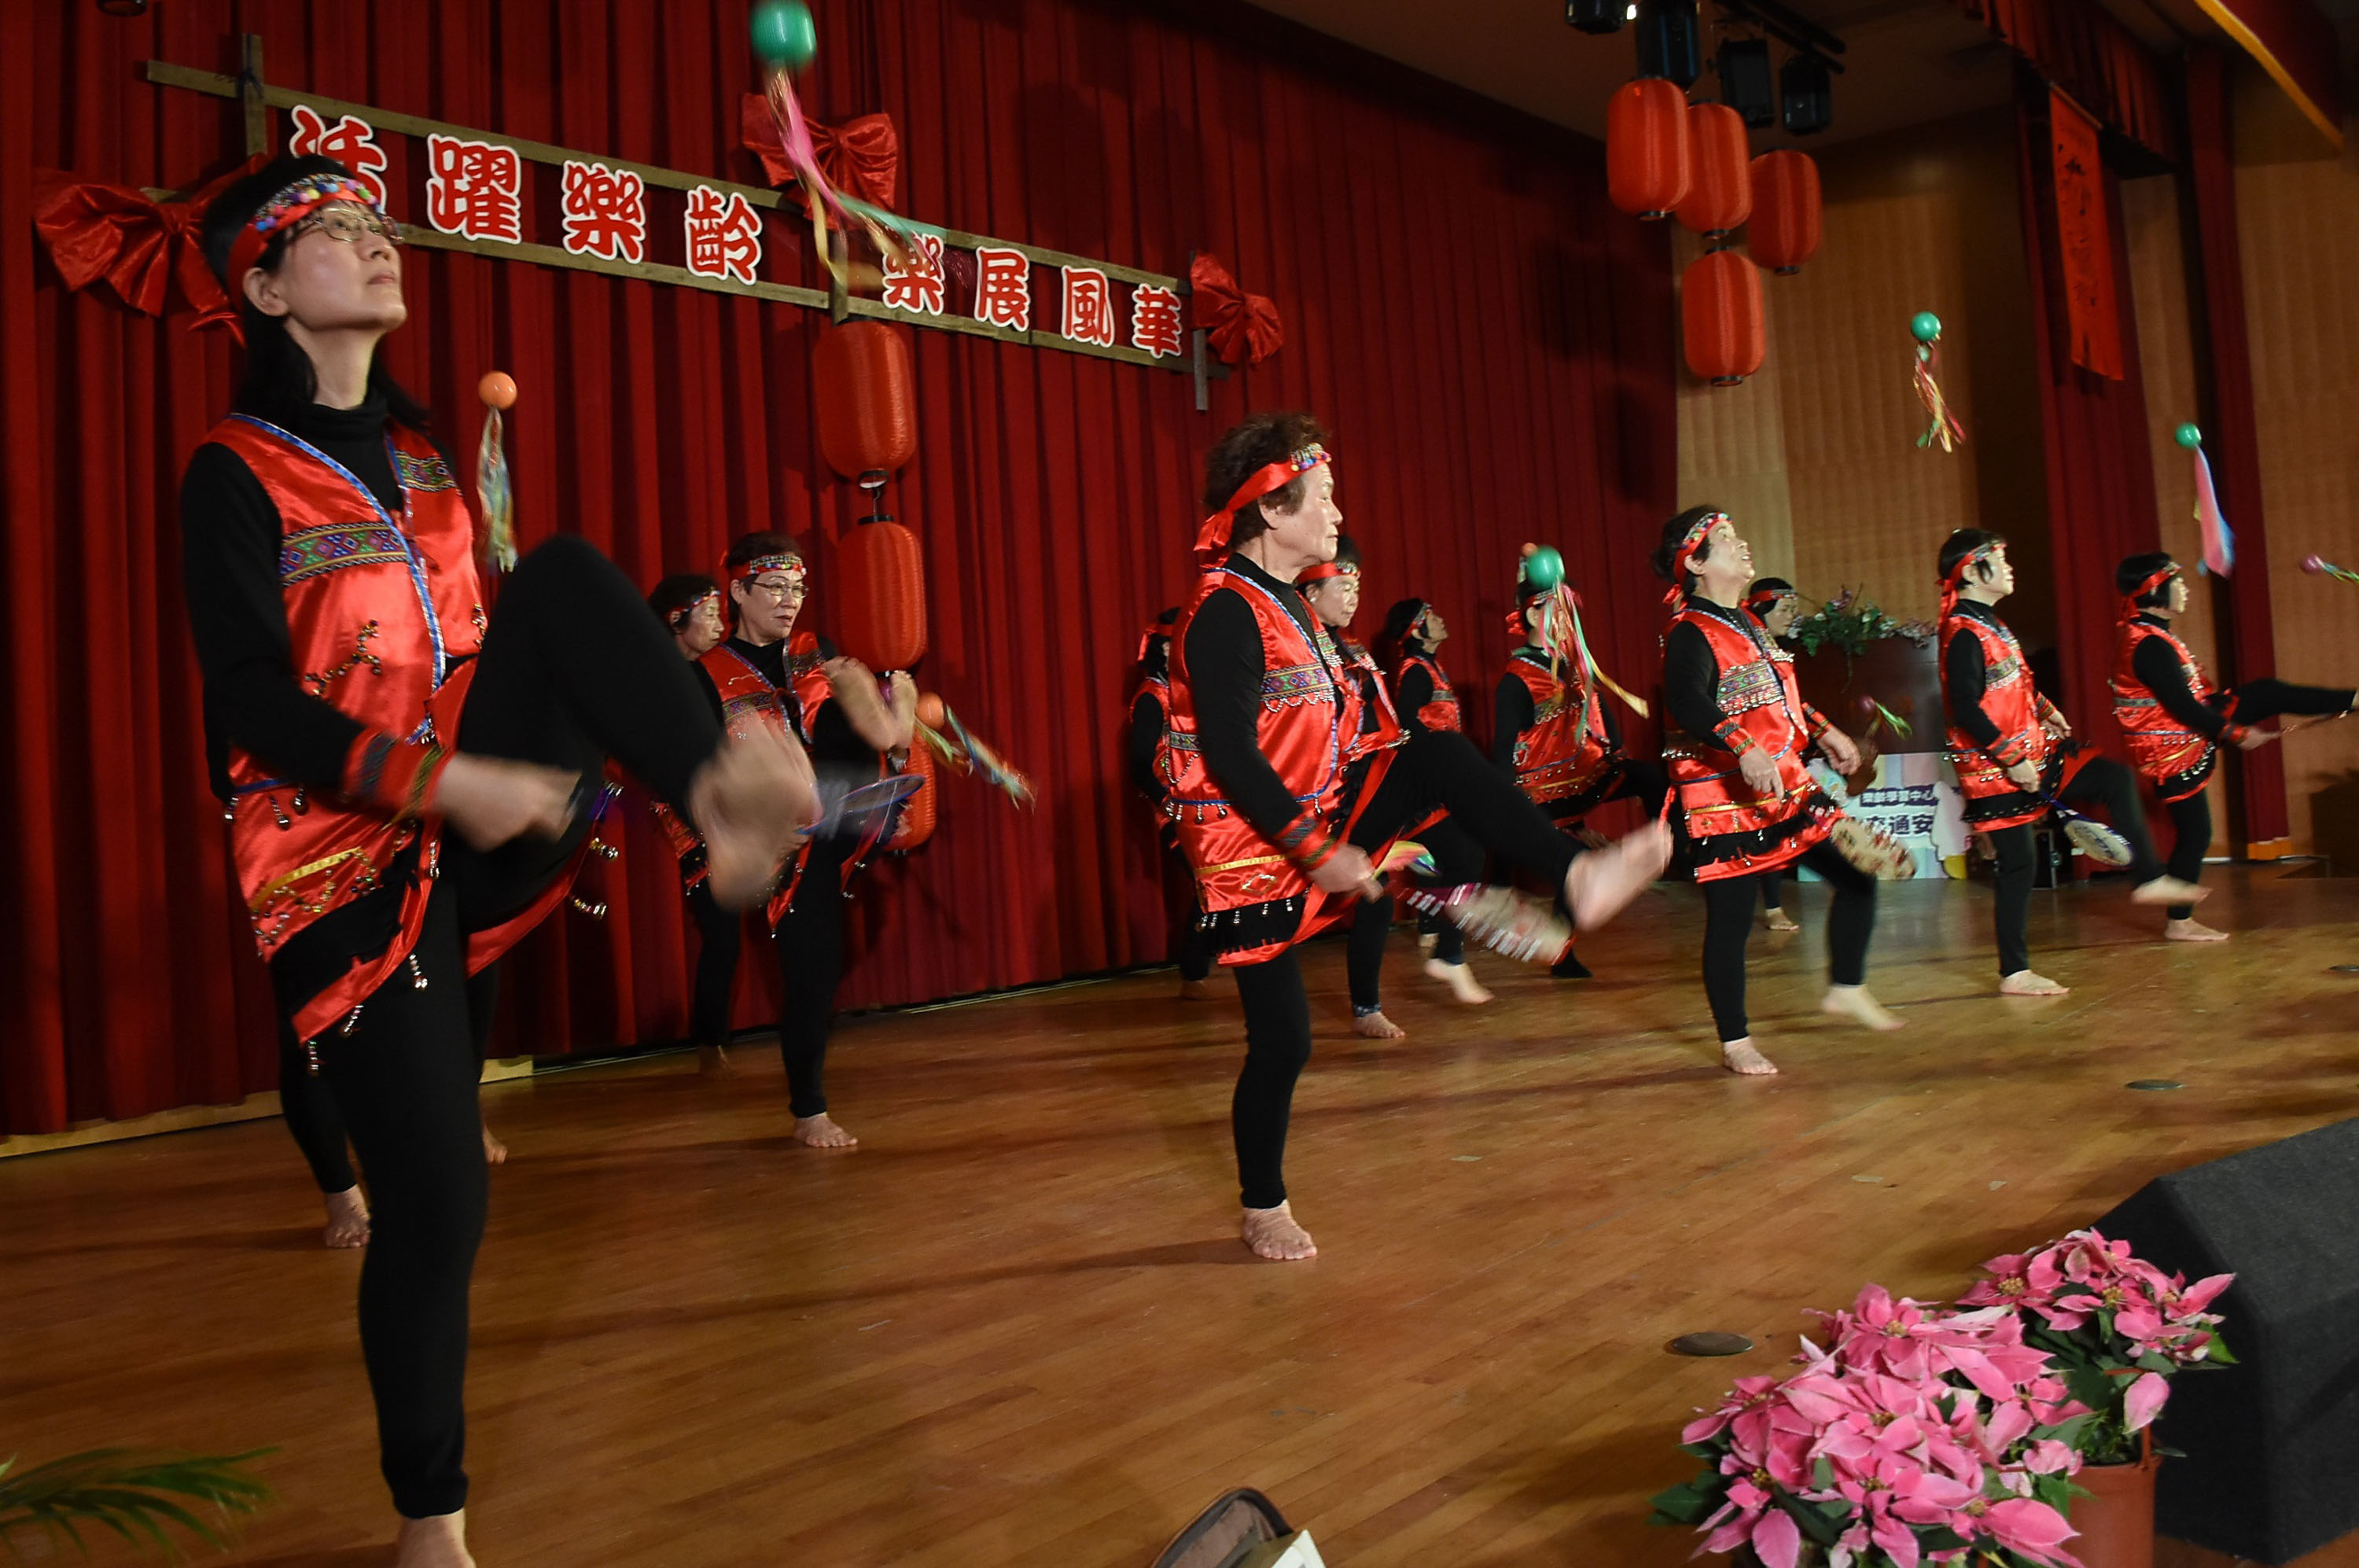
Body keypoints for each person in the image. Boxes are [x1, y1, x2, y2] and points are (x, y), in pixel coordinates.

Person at [182, 155, 811, 1566]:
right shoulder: (233, 475)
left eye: (376, 218)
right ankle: (432, 1523)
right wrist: (435, 777)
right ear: (268, 288)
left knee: (572, 574)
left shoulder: (424, 472)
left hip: (490, 809)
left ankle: (716, 799)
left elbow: (501, 655)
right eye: (331, 229)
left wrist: (560, 767)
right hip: (344, 862)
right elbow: (251, 701)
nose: (374, 238)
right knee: (440, 1204)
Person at [1164, 411, 1669, 1261]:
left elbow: (1336, 738)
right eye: (1322, 498)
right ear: (1272, 511)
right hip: (1250, 848)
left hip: (1321, 814)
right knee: (1283, 1038)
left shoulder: (1294, 608)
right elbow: (1229, 753)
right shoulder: (1224, 614)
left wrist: (1374, 829)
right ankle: (1263, 1202)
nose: (1334, 514)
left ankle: (1575, 875)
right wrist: (1321, 850)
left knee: (1435, 753)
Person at [687, 531, 919, 1147]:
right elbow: (701, 769)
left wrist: (884, 772)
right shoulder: (703, 676)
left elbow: (849, 739)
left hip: (835, 825)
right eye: (775, 588)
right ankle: (809, 1111)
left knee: (819, 968)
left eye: (798, 589)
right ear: (738, 590)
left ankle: (808, 1106)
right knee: (811, 968)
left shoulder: (817, 653)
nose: (790, 602)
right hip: (775, 843)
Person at [1656, 507, 1901, 1076]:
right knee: (1733, 919)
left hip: (1784, 783)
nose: (1742, 546)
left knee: (1857, 877)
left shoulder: (1748, 622)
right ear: (1694, 563)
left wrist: (1826, 731)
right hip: (1722, 794)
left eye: (1739, 535)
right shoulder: (1690, 630)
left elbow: (1780, 699)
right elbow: (1688, 702)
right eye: (1724, 540)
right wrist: (1741, 744)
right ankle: (1735, 1039)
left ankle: (1845, 984)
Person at [1936, 529, 2203, 997]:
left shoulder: (1988, 622)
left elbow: (2010, 681)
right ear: (1975, 571)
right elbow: (1965, 707)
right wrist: (2009, 757)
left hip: (2034, 750)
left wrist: (2044, 708)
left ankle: (2149, 878)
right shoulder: (1962, 632)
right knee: (2018, 864)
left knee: (2114, 779)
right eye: (2001, 559)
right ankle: (2015, 972)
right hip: (1998, 766)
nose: (2011, 567)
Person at [2110, 552, 2354, 940]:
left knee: (2266, 693)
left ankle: (2351, 699)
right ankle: (2179, 921)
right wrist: (2238, 734)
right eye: (2180, 583)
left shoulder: (2152, 634)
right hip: (2170, 749)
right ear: (2157, 590)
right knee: (2196, 832)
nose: (2186, 589)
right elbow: (2182, 707)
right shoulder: (2148, 645)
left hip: (2185, 730)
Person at [1301, 544, 1489, 1038]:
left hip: (1385, 786)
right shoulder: (1298, 653)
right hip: (1334, 798)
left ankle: (1436, 951)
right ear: (1311, 589)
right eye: (1344, 586)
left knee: (1456, 856)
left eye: (1358, 586)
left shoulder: (1353, 649)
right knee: (1354, 900)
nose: (1354, 596)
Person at [1493, 558, 1668, 980]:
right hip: (1543, 789)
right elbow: (1503, 748)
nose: (1571, 621)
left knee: (1653, 778)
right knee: (1574, 867)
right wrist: (1506, 802)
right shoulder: (1517, 679)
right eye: (1561, 610)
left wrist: (1620, 750)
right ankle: (1563, 954)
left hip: (1587, 772)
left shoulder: (1572, 664)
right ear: (1535, 614)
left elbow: (1599, 706)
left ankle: (1663, 851)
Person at [647, 575, 745, 1066]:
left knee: (728, 931)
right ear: (675, 619)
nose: (719, 625)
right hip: (676, 813)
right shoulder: (649, 676)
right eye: (710, 615)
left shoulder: (705, 674)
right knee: (722, 929)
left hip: (718, 807)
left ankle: (713, 1039)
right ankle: (711, 1043)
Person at [1378, 598, 1493, 987]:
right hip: (1429, 785)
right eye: (1434, 616)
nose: (1443, 619)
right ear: (1419, 628)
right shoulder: (1415, 673)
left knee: (1461, 853)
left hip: (1443, 781)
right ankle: (1447, 948)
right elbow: (1407, 727)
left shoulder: (1430, 669)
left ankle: (1439, 934)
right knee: (1465, 854)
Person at [1130, 607, 1217, 999]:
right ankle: (1193, 973)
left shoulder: (1195, 691)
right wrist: (1167, 803)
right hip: (1180, 812)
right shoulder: (1153, 697)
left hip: (1212, 808)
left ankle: (1201, 967)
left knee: (1221, 886)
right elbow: (1139, 763)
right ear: (1166, 648)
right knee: (1211, 887)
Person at [1744, 577, 1805, 933]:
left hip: (1777, 749)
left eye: (1794, 609)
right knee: (1761, 829)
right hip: (1752, 751)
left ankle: (1773, 906)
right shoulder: (1747, 649)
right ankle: (1768, 908)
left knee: (1776, 827)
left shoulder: (1772, 649)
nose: (1791, 616)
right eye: (1785, 609)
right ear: (1762, 609)